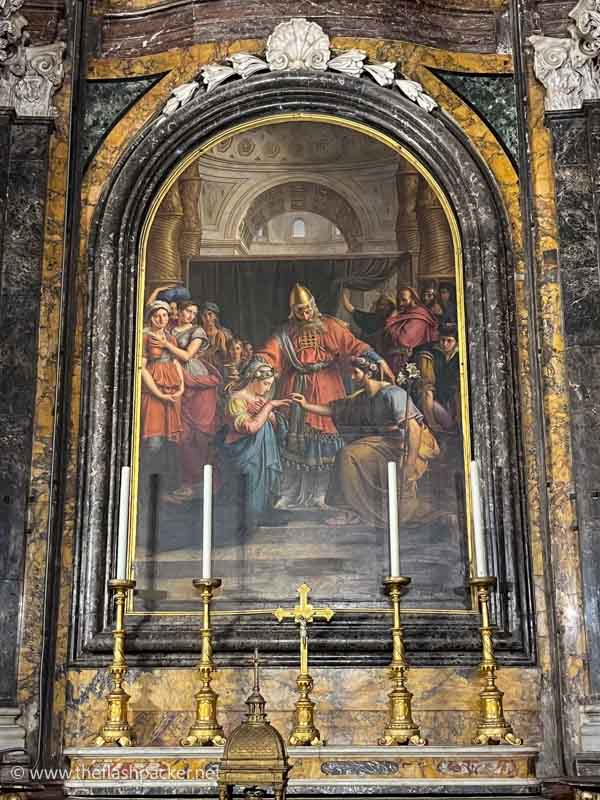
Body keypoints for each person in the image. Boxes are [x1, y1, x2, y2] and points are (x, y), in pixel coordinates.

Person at [256, 284, 394, 508]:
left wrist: (378, 359)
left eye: (308, 309)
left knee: (324, 441)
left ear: (313, 305)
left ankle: (322, 494)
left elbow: (354, 345)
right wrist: (257, 363)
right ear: (293, 310)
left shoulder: (330, 325)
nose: (306, 314)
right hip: (296, 386)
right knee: (293, 443)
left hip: (327, 385)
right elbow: (268, 353)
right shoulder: (285, 332)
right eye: (300, 310)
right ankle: (290, 492)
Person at [291, 355, 439, 527]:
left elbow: (413, 429)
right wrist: (306, 405)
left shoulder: (393, 394)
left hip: (404, 445)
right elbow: (334, 409)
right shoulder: (363, 397)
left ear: (368, 373)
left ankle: (351, 510)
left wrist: (410, 463)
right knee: (347, 454)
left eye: (356, 373)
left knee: (348, 455)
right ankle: (352, 510)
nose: (352, 377)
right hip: (383, 443)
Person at [154, 300, 223, 500]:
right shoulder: (169, 328)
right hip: (174, 382)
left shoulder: (197, 331)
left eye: (194, 312)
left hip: (196, 384)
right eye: (187, 311)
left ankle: (205, 483)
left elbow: (187, 355)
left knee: (201, 437)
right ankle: (188, 483)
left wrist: (166, 344)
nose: (190, 316)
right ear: (180, 312)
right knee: (182, 437)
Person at [220, 359, 292, 522]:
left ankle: (263, 511)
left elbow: (274, 427)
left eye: (270, 385)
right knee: (251, 480)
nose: (268, 389)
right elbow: (250, 428)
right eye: (266, 384)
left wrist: (269, 413)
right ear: (253, 379)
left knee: (265, 480)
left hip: (264, 453)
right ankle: (250, 515)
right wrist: (269, 407)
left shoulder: (260, 400)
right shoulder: (237, 400)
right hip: (246, 453)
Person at [140, 300, 185, 488]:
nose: (162, 319)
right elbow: (141, 369)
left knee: (169, 443)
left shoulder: (169, 338)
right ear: (150, 317)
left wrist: (181, 387)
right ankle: (145, 490)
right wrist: (159, 394)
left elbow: (176, 363)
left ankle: (165, 490)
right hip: (153, 395)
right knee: (154, 443)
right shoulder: (143, 336)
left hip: (172, 394)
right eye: (157, 315)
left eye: (165, 315)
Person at [414, 323, 460, 431]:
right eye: (442, 340)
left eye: (449, 341)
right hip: (429, 399)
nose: (444, 344)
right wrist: (432, 423)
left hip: (451, 399)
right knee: (447, 424)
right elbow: (426, 389)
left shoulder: (460, 354)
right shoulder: (428, 354)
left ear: (456, 342)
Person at [383, 286, 439, 375]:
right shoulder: (405, 314)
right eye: (399, 300)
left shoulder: (418, 317)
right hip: (396, 359)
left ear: (413, 299)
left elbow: (403, 340)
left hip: (410, 363)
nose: (400, 303)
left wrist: (392, 319)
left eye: (404, 300)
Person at [341, 289, 396, 353]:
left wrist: (341, 292)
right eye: (380, 304)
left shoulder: (377, 319)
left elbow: (350, 309)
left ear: (390, 306)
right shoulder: (378, 318)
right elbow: (352, 310)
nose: (380, 307)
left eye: (383, 305)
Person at [199, 301, 233, 373]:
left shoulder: (224, 333)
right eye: (204, 315)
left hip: (219, 369)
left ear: (215, 316)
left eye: (210, 314)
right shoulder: (197, 332)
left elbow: (229, 355)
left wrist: (221, 346)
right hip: (200, 367)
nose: (207, 318)